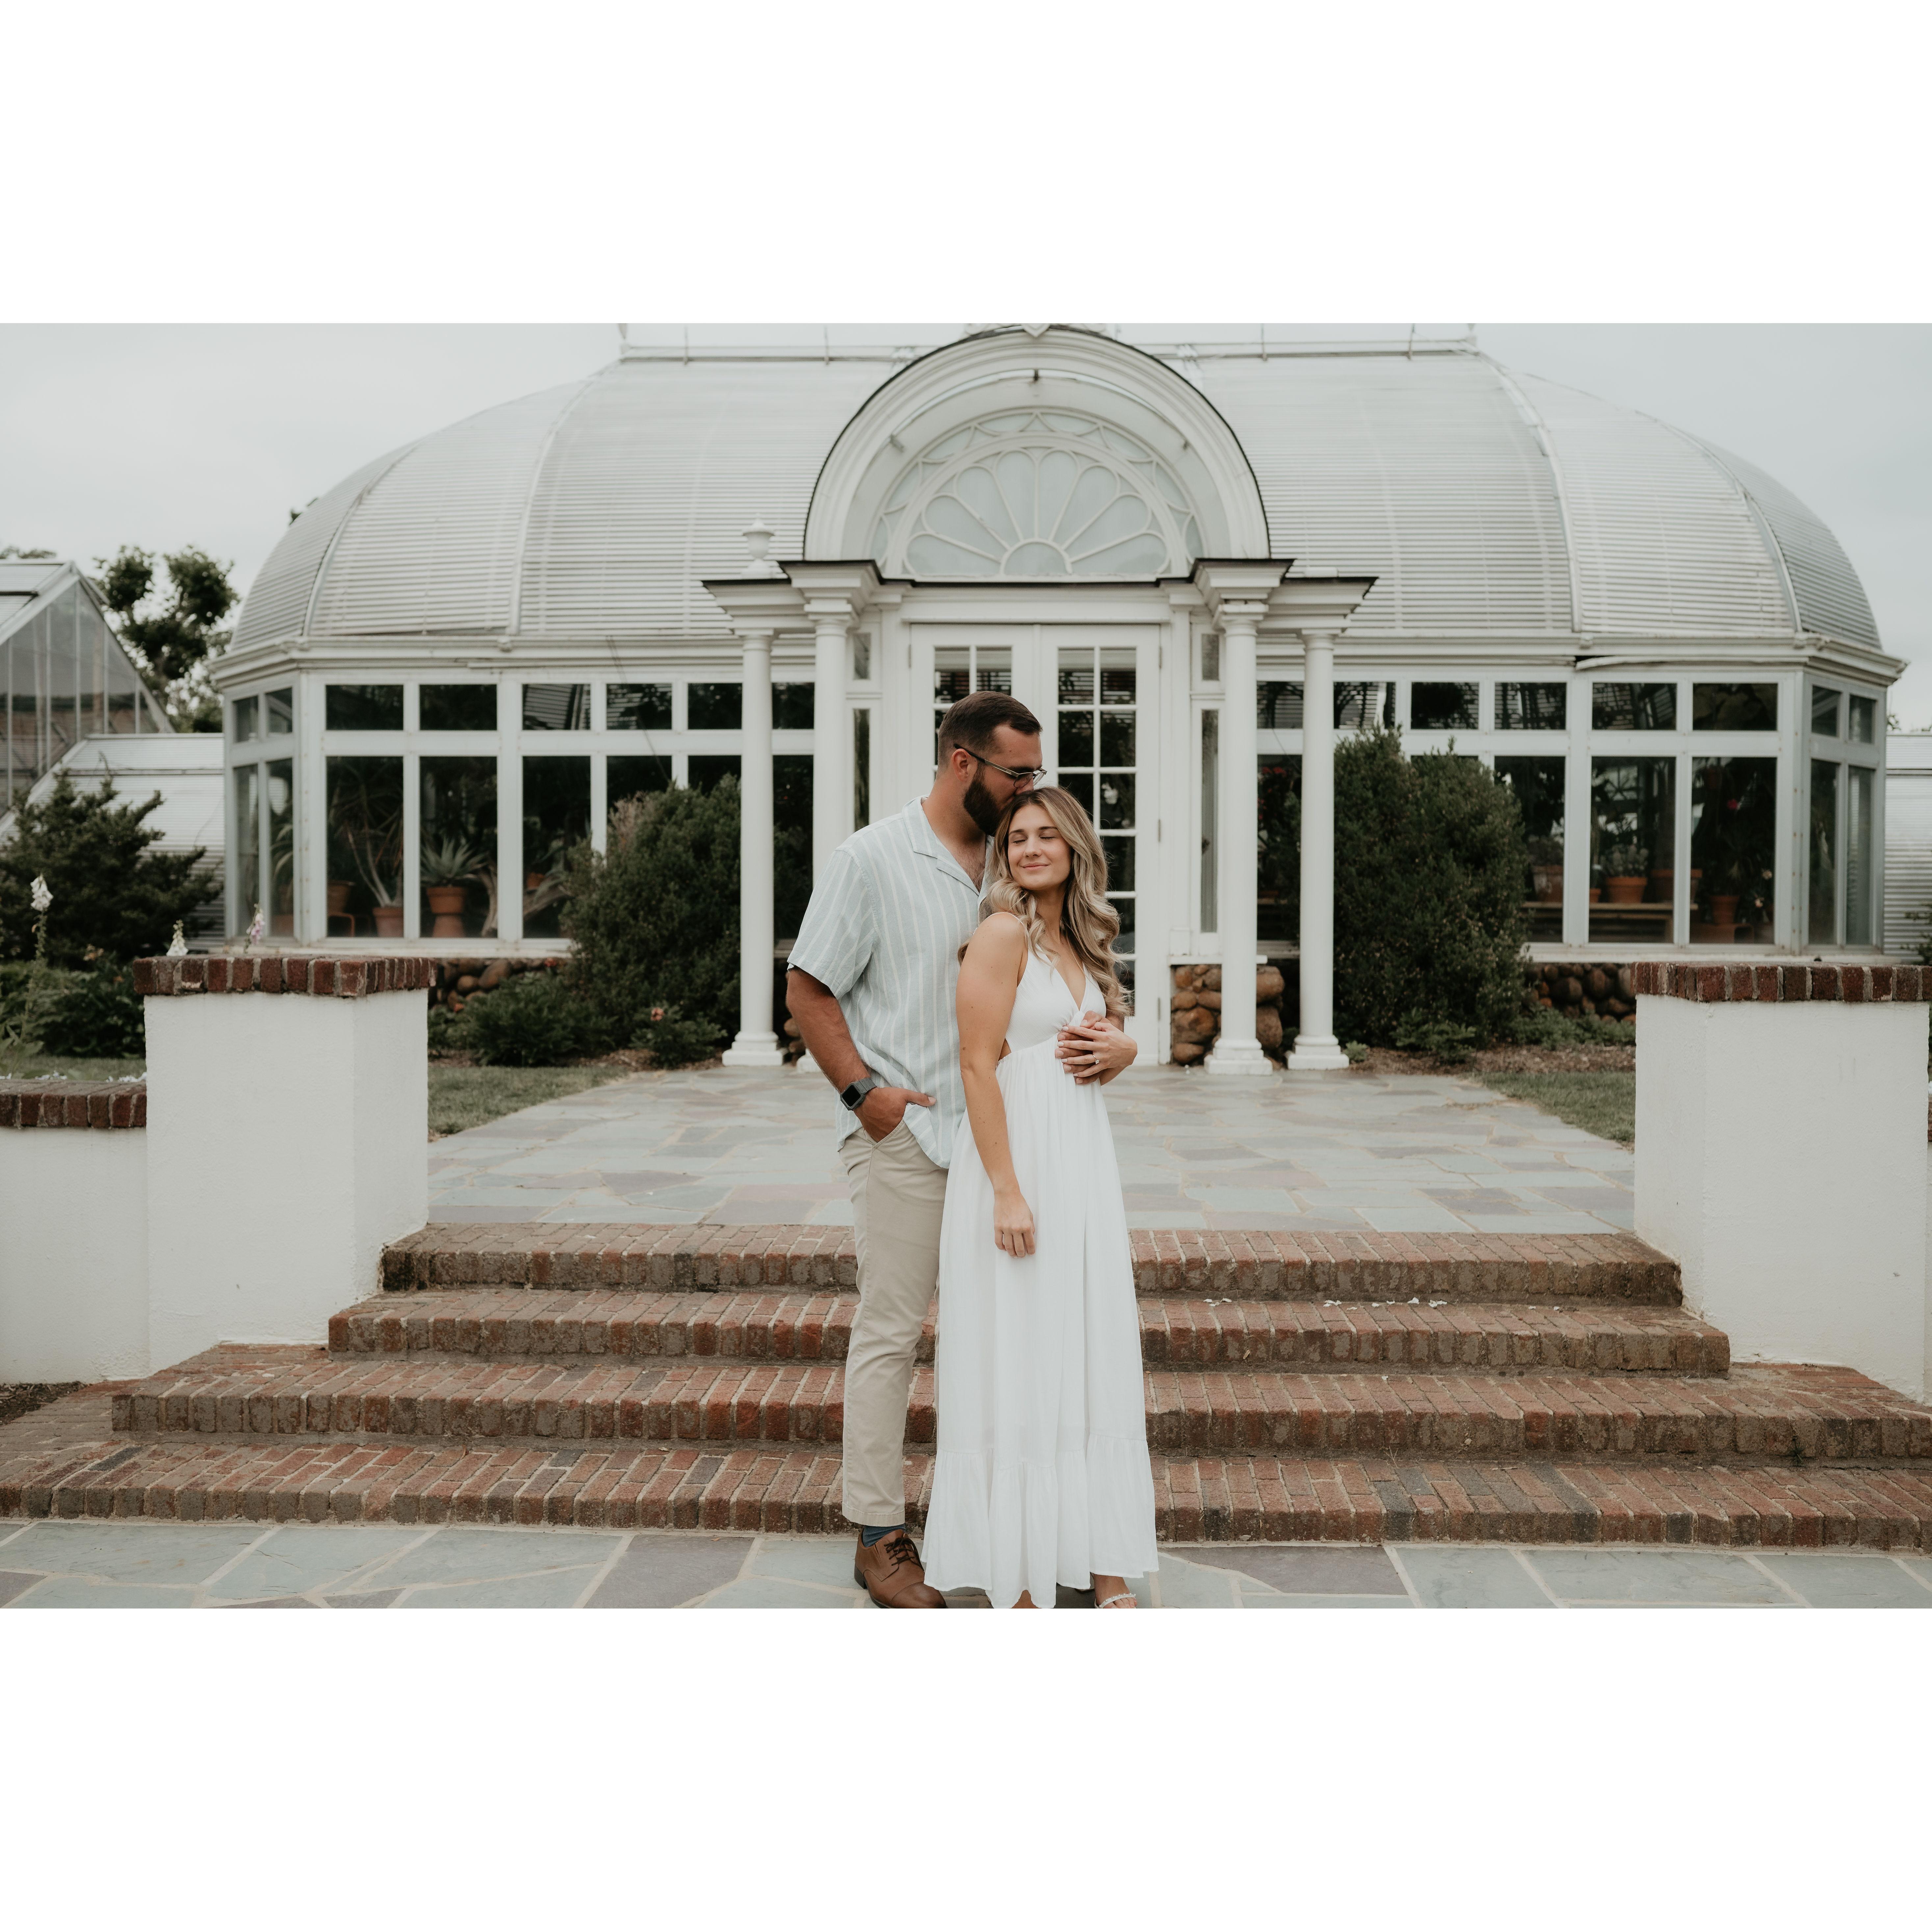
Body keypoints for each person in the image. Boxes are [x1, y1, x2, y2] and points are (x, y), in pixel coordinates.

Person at [788, 692, 1134, 1608]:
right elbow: (808, 988)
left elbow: (1071, 998)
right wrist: (864, 1095)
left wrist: (1121, 1047)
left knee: (1021, 1341)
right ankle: (878, 1533)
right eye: (1017, 774)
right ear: (961, 763)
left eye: (1036, 778)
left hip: (1012, 1149)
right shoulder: (870, 860)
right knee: (892, 1330)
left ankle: (1030, 1536)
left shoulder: (1017, 860)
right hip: (911, 1133)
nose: (1031, 790)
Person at [920, 787, 1159, 1610]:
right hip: (1016, 1164)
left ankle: (1103, 1563)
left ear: (1074, 848)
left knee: (1086, 1347)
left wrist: (1126, 1049)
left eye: (1045, 835)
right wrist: (1006, 1190)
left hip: (1081, 1164)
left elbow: (1094, 1049)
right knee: (1019, 1350)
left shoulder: (1081, 939)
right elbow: (977, 1063)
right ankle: (1017, 1572)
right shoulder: (999, 934)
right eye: (1016, 837)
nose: (1027, 847)